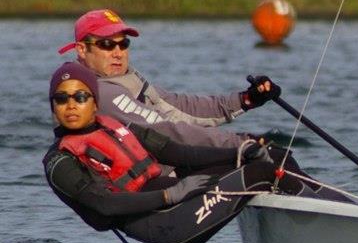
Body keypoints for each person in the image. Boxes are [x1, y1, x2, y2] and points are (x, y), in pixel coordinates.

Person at [42, 62, 313, 243]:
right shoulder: (59, 161)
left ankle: (327, 214)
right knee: (261, 174)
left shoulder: (116, 126)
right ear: (53, 105)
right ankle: (323, 224)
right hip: (166, 223)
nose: (71, 106)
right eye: (62, 99)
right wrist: (169, 196)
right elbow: (104, 205)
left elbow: (179, 153)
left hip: (177, 196)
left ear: (95, 102)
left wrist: (240, 150)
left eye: (80, 97)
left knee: (270, 157)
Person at [57, 9, 279, 149]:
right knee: (267, 158)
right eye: (107, 44)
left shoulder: (127, 77)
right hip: (159, 182)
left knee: (271, 157)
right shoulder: (100, 92)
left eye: (123, 44)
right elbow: (165, 129)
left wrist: (246, 99)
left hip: (175, 159)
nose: (118, 52)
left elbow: (180, 107)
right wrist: (240, 143)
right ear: (81, 50)